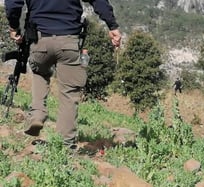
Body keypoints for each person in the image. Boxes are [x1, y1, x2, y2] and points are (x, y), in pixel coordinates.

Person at [5, 0, 121, 149]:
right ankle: (65, 144)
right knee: (69, 93)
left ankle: (37, 114)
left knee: (40, 74)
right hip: (69, 42)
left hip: (40, 41)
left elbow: (13, 3)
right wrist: (112, 25)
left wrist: (14, 26)